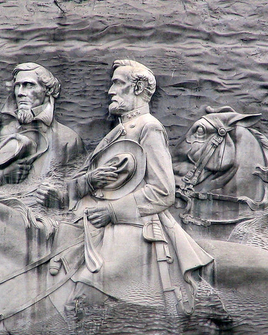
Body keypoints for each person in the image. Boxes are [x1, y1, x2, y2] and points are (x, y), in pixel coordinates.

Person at [66, 60, 214, 314]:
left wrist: (113, 212)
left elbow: (163, 191)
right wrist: (89, 181)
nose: (110, 91)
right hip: (93, 220)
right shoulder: (118, 131)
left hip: (135, 225)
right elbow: (84, 182)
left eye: (117, 83)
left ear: (138, 88)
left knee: (86, 292)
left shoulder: (149, 127)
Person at [0, 63, 85, 186]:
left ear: (48, 90)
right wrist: (4, 175)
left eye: (29, 85)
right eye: (17, 86)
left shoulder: (68, 139)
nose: (20, 93)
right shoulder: (2, 132)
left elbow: (78, 186)